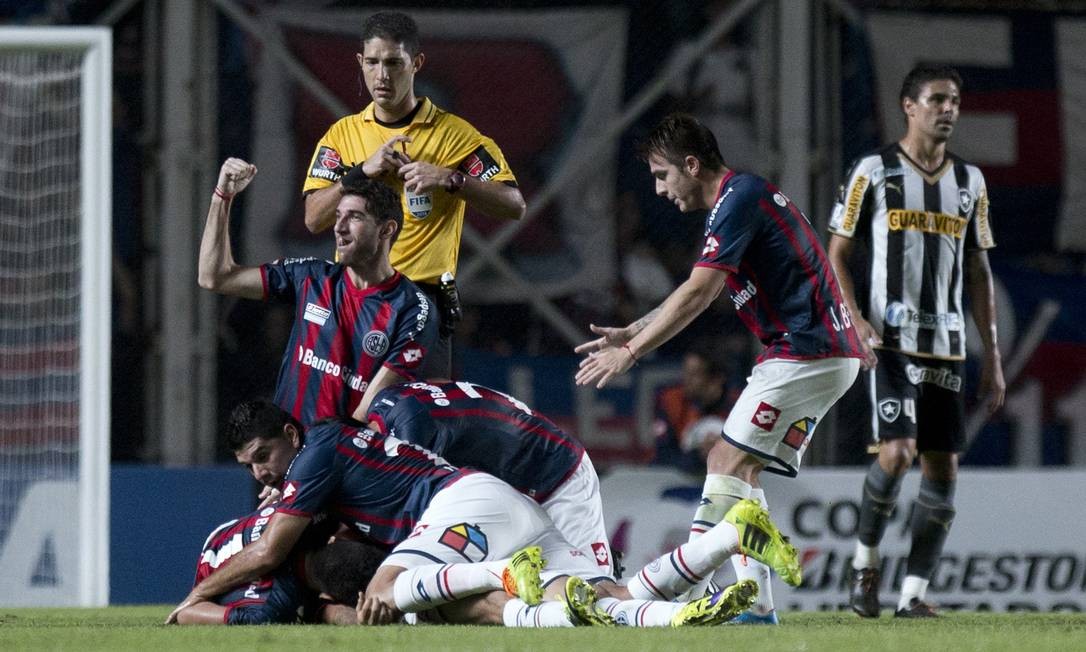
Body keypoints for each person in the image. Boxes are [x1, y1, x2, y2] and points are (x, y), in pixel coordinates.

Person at [575, 112, 867, 624]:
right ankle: (754, 608)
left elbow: (699, 291)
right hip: (816, 354)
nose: (661, 191)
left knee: (722, 462)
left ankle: (678, 594)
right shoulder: (736, 203)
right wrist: (634, 328)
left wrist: (633, 351)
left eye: (663, 176)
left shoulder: (738, 198)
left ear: (692, 165)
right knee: (743, 472)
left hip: (805, 351)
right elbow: (695, 288)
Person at [167, 400, 794, 627]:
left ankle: (501, 576)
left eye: (264, 457)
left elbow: (272, 552)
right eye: (249, 466)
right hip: (507, 500)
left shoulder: (318, 456)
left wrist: (192, 599)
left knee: (397, 589)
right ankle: (720, 554)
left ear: (290, 432)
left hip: (492, 494)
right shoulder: (352, 440)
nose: (262, 475)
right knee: (600, 605)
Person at [827, 64, 1005, 619]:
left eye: (954, 100)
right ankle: (863, 567)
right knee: (898, 453)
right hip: (889, 343)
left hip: (948, 346)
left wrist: (992, 356)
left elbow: (978, 270)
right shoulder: (873, 172)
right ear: (909, 105)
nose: (947, 109)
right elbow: (835, 254)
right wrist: (854, 319)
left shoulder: (970, 182)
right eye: (936, 99)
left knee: (942, 468)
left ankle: (913, 596)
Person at [301, 11, 526, 377]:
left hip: (423, 304)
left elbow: (514, 205)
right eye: (372, 63)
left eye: (394, 62)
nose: (382, 75)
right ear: (360, 62)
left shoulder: (455, 136)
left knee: (418, 427)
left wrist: (451, 179)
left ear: (416, 63)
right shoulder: (341, 136)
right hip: (354, 302)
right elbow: (313, 218)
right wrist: (359, 174)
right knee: (349, 427)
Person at [198, 158, 438, 424]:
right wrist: (223, 197)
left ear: (386, 230)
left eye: (354, 217)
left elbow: (367, 414)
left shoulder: (412, 308)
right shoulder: (312, 277)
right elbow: (215, 277)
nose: (339, 227)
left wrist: (316, 459)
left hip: (348, 457)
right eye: (338, 215)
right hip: (289, 453)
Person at [365, 379, 613, 580]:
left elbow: (415, 512)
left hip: (560, 475)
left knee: (593, 590)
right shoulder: (386, 400)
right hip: (509, 487)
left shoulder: (411, 435)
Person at [651, 340, 741, 473]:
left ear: (716, 378)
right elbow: (662, 456)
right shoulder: (671, 401)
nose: (685, 379)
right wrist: (698, 456)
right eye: (685, 372)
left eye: (694, 374)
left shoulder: (743, 406)